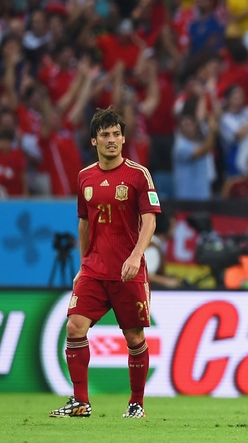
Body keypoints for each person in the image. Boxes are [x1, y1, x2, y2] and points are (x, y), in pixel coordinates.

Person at [49, 107, 161, 419]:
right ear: (94, 141)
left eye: (116, 134)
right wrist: (83, 265)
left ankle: (136, 403)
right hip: (95, 270)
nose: (111, 140)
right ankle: (80, 401)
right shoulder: (84, 177)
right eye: (105, 135)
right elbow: (84, 224)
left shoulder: (138, 175)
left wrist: (136, 256)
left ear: (124, 139)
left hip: (129, 271)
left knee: (135, 338)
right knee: (74, 327)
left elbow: (150, 221)